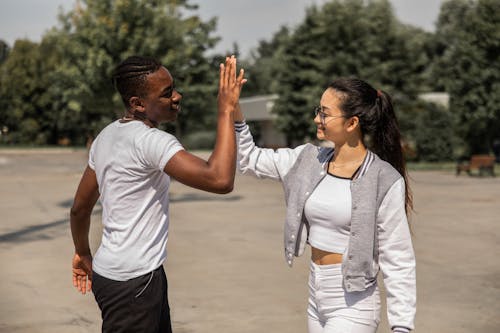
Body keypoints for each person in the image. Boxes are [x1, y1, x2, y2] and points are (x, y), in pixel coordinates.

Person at [70, 55, 246, 332]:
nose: (177, 96)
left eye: (173, 88)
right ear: (137, 104)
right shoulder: (152, 141)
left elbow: (79, 209)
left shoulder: (105, 136)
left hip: (117, 275)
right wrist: (226, 109)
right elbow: (220, 179)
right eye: (166, 94)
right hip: (135, 283)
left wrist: (82, 252)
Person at [234, 77, 416, 333]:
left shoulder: (384, 179)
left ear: (352, 123)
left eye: (325, 113)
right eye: (318, 110)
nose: (316, 119)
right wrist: (234, 109)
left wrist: (402, 326)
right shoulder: (308, 159)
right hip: (316, 295)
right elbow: (249, 160)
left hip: (354, 304)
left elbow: (398, 257)